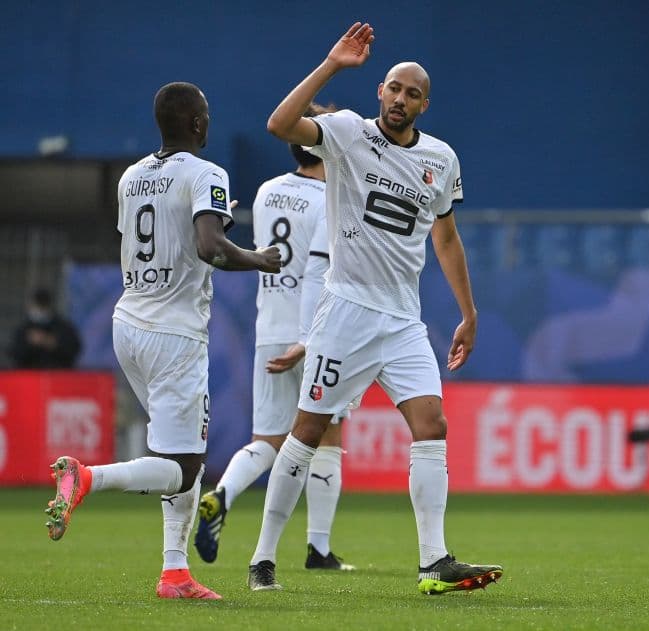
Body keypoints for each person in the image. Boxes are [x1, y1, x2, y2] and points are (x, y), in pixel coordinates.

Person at [248, 21, 502, 595]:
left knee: (431, 424)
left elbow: (446, 238)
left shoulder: (440, 159)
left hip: (402, 320)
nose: (399, 98)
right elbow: (279, 124)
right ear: (379, 91)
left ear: (424, 104)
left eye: (412, 92)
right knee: (308, 430)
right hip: (344, 312)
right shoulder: (345, 133)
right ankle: (263, 555)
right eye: (393, 87)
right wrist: (333, 63)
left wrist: (469, 311)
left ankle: (434, 562)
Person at [43, 81, 282, 600]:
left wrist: (212, 222)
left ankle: (175, 572)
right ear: (198, 123)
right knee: (183, 468)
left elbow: (154, 235)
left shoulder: (132, 177)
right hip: (174, 333)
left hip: (129, 320)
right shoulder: (206, 172)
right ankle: (87, 477)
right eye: (207, 115)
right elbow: (210, 248)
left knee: (180, 451)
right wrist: (258, 259)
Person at [194, 104, 355, 572]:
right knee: (326, 434)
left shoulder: (267, 192)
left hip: (270, 327)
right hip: (315, 331)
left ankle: (222, 493)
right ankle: (318, 549)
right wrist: (311, 336)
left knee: (267, 439)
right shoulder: (331, 197)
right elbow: (318, 274)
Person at [9, 288, 82, 369]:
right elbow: (15, 354)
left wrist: (53, 343)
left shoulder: (63, 327)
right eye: (37, 306)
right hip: (29, 376)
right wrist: (29, 343)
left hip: (58, 375)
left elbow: (74, 349)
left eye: (42, 306)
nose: (39, 311)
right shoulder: (24, 329)